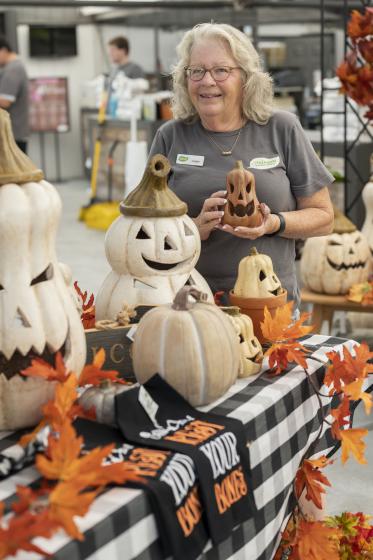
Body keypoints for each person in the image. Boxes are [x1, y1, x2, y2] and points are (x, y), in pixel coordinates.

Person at [148, 23, 334, 308]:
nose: (207, 81)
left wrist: (273, 223)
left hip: (269, 302)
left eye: (221, 70)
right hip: (190, 302)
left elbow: (323, 217)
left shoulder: (281, 128)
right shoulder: (170, 136)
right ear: (185, 79)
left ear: (245, 78)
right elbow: (144, 230)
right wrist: (193, 229)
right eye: (196, 71)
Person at [0, 36, 29, 153]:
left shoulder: (13, 69)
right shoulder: (14, 67)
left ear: (3, 50)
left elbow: (5, 101)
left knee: (15, 171)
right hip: (13, 133)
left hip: (12, 135)